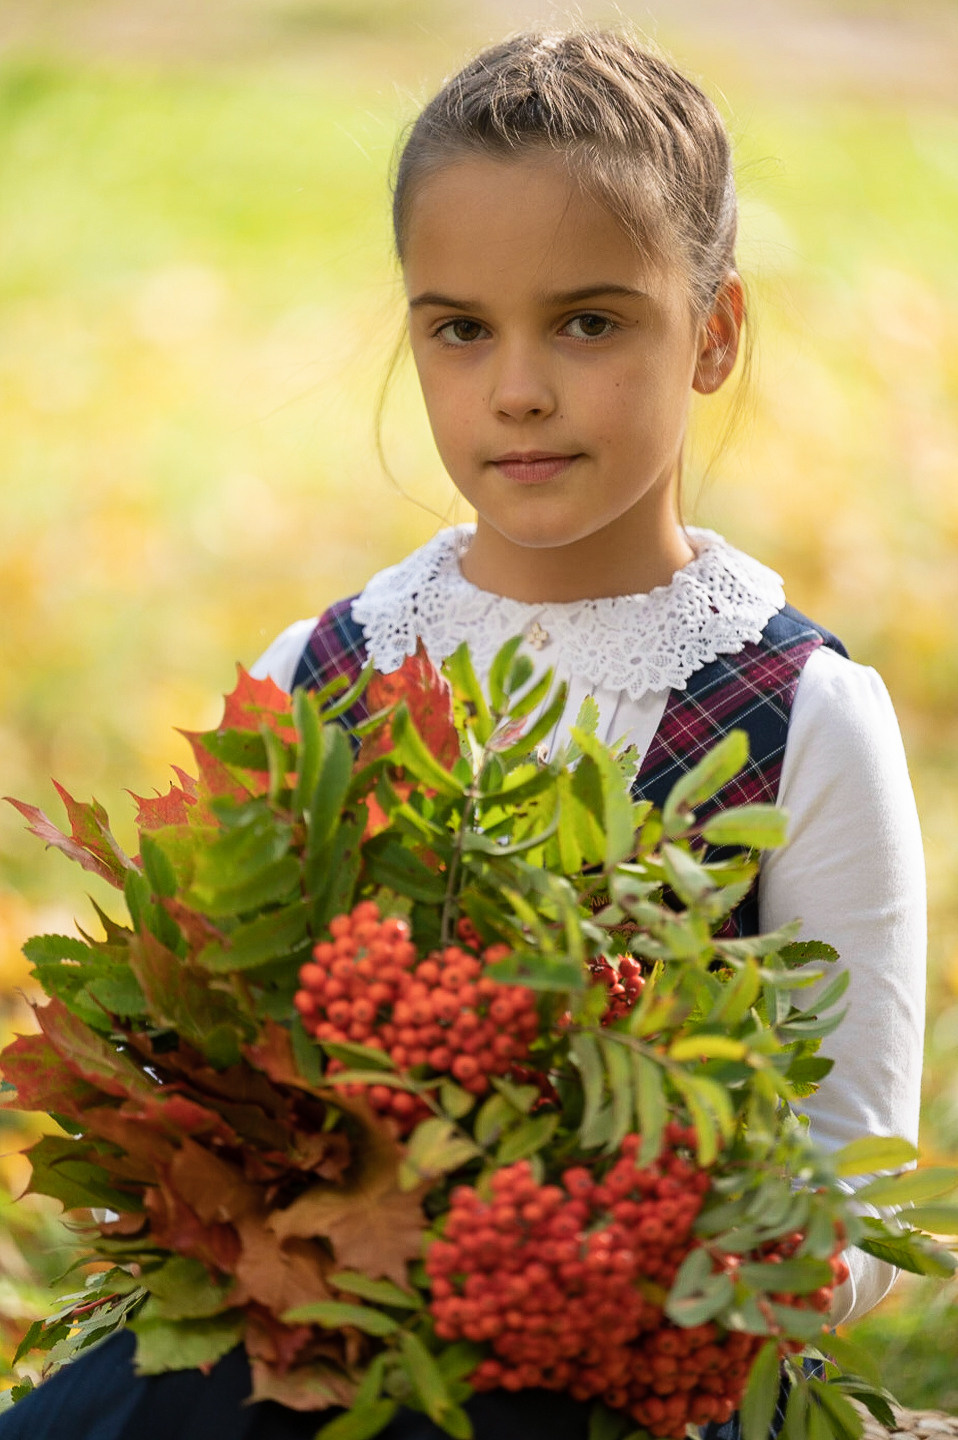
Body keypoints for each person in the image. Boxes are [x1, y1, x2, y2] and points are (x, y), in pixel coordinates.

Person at [0, 28, 925, 1440]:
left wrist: (642, 1274)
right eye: (461, 328)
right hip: (314, 1349)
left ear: (714, 331)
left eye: (589, 323)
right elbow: (207, 1064)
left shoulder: (794, 715)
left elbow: (851, 1184)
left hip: (625, 1370)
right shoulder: (319, 675)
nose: (518, 389)